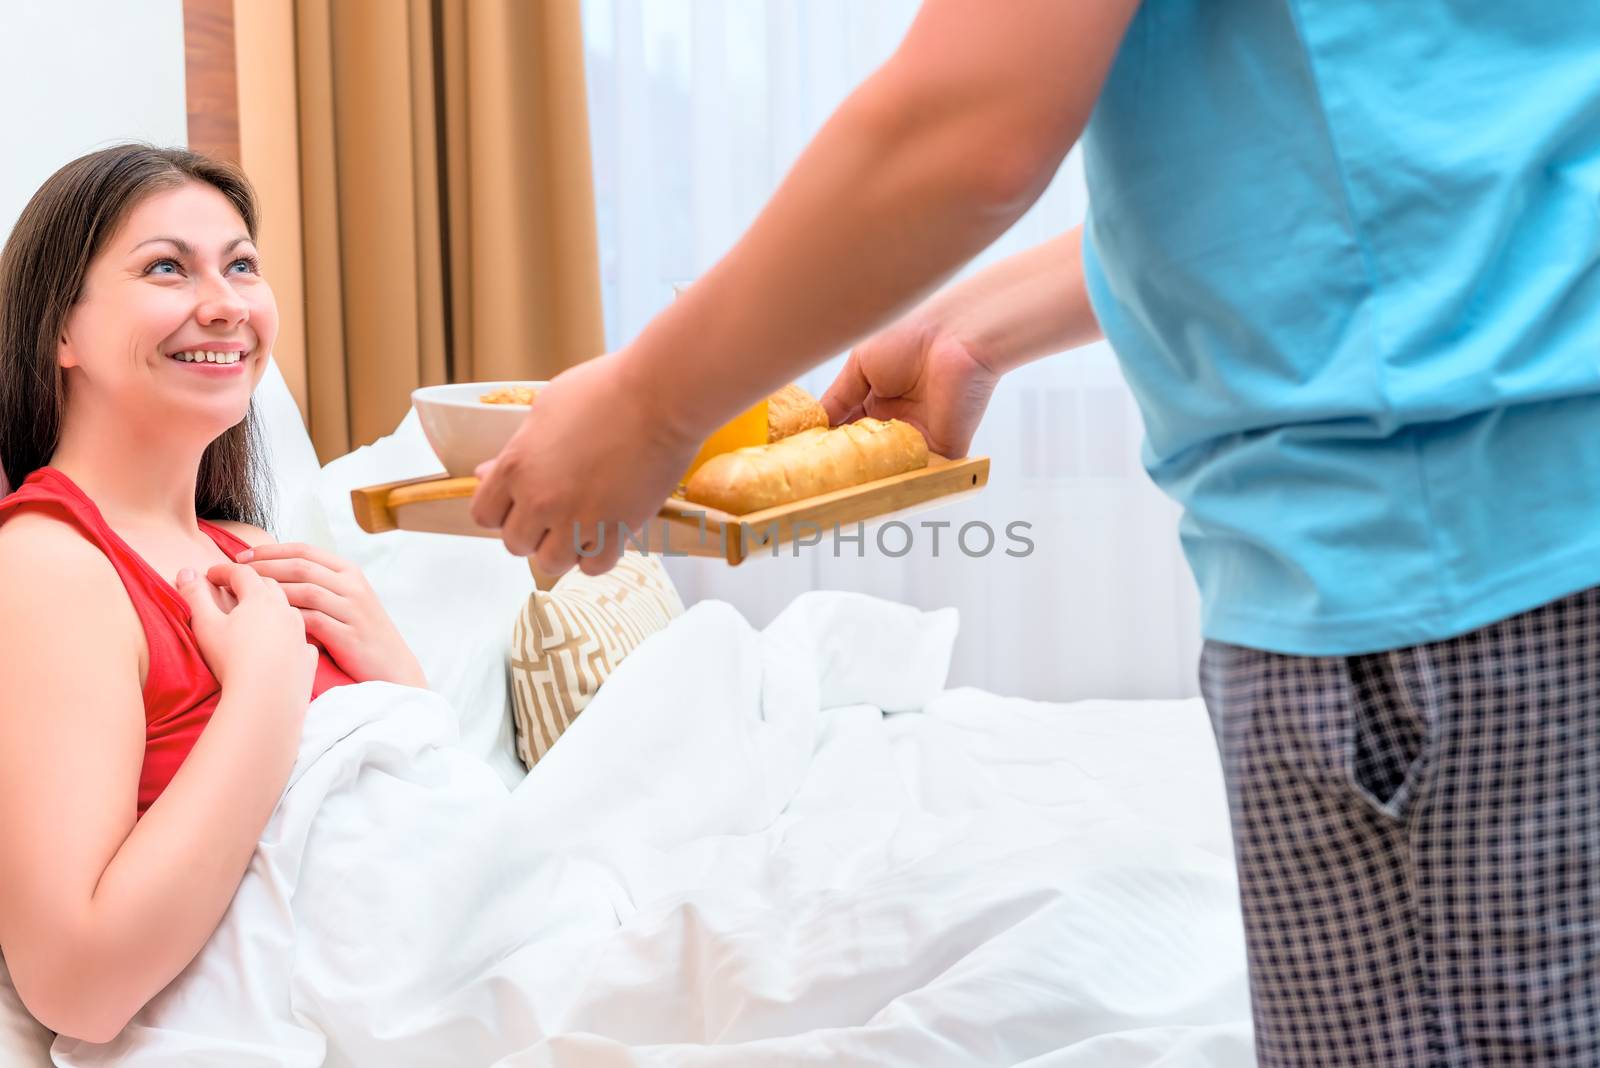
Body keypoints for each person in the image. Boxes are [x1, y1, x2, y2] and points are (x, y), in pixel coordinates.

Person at [472, 2, 1600, 1065]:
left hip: (1447, 577)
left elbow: (971, 123)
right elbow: (1372, 153)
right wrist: (969, 327)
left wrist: (648, 407)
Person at [0, 144, 427, 1042]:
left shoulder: (264, 554)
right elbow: (73, 985)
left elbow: (410, 812)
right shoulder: (48, 565)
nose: (228, 303)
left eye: (241, 264)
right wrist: (266, 694)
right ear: (60, 332)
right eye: (167, 266)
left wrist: (400, 682)